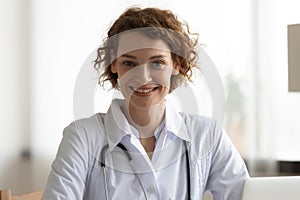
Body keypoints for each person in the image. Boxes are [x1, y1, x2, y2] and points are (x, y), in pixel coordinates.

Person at [42, 6, 249, 200]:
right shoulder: (82, 138)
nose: (143, 77)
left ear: (176, 64)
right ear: (114, 64)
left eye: (157, 62)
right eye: (129, 63)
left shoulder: (207, 136)